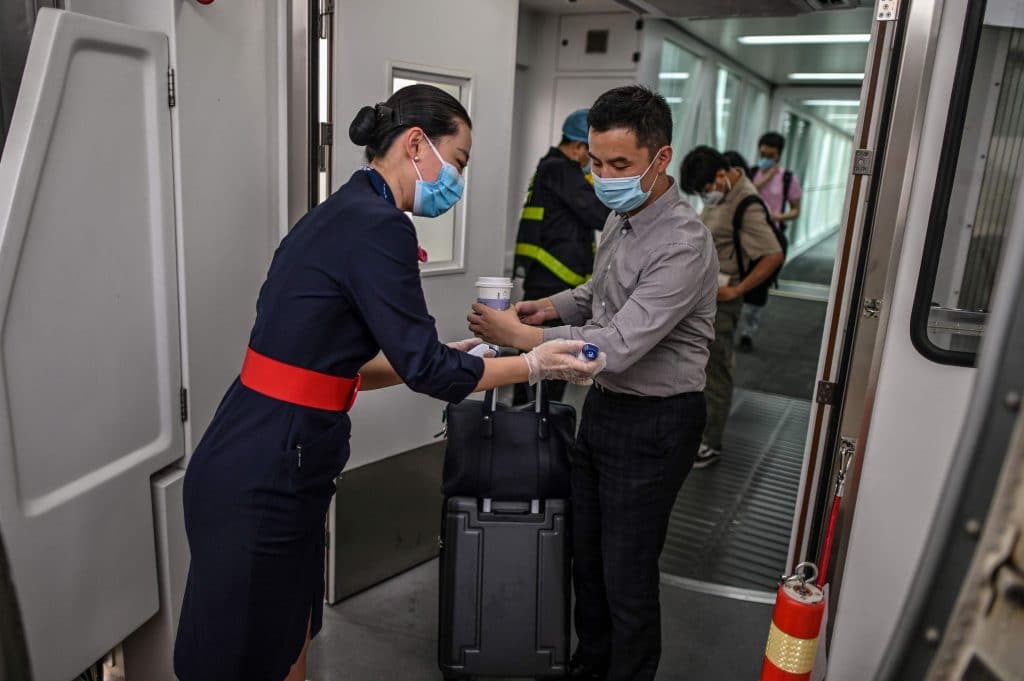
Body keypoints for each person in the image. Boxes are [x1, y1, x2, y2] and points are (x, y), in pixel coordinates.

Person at [172, 84, 605, 681]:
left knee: (288, 630)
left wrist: (445, 354)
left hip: (260, 446)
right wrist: (536, 363)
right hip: (267, 466)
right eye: (458, 162)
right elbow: (429, 372)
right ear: (416, 144)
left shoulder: (344, 210)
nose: (457, 180)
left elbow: (335, 366)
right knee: (243, 654)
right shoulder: (380, 226)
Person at [469, 85, 718, 681]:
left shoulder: (682, 244)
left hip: (656, 421)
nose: (604, 177)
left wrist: (522, 336)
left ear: (661, 158)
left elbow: (617, 344)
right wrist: (546, 308)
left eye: (619, 165)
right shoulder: (622, 217)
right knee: (587, 558)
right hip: (605, 409)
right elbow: (597, 294)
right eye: (597, 163)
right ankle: (591, 664)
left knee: (626, 573)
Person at [679, 146, 785, 469]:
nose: (705, 196)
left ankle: (710, 442)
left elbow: (773, 255)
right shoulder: (722, 195)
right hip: (702, 297)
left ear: (722, 175)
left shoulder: (746, 204)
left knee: (716, 371)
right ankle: (696, 431)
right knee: (699, 368)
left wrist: (737, 289)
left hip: (722, 302)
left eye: (706, 188)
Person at [513, 108, 609, 403]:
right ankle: (535, 426)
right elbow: (599, 214)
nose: (593, 163)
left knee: (539, 371)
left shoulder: (550, 167)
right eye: (593, 155)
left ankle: (533, 423)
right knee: (546, 372)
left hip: (546, 281)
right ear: (579, 146)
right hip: (552, 284)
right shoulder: (561, 169)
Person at [738, 132, 803, 351]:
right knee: (738, 279)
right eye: (763, 154)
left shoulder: (787, 179)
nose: (765, 158)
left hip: (771, 236)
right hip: (746, 236)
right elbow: (745, 194)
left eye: (770, 155)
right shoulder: (751, 173)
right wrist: (765, 177)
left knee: (759, 286)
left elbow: (795, 210)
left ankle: (748, 332)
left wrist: (778, 216)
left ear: (779, 155)